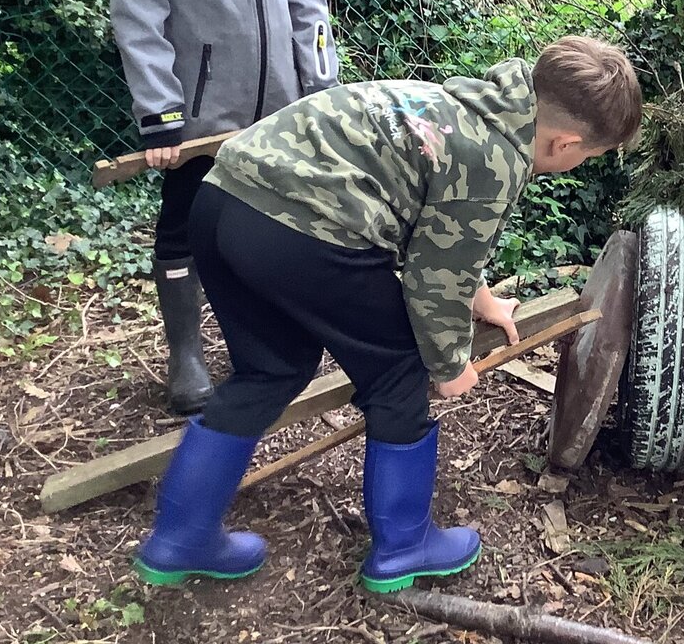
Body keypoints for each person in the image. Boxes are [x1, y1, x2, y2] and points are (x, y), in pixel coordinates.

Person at [132, 37, 642, 594]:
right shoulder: (496, 158)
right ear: (566, 142)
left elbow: (438, 234)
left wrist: (482, 298)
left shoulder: (463, 105)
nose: (577, 163)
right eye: (586, 156)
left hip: (222, 203)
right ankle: (404, 545)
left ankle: (180, 538)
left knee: (270, 369)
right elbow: (431, 282)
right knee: (400, 367)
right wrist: (449, 367)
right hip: (307, 231)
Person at [111, 0, 338, 414]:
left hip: (281, 115)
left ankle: (266, 339)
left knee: (274, 220)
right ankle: (185, 352)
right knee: (183, 224)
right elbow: (139, 13)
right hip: (202, 118)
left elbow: (306, 2)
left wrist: (319, 85)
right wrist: (160, 114)